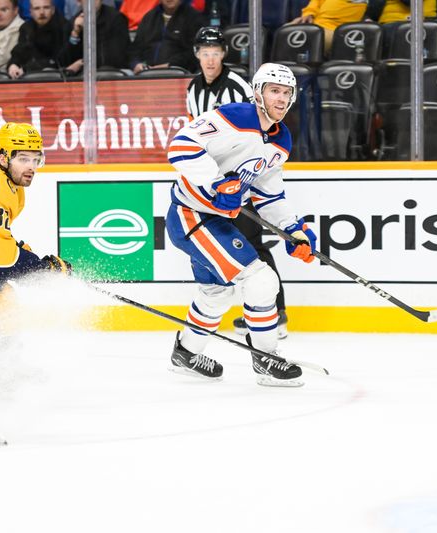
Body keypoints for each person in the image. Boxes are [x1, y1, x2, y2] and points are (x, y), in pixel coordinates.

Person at [165, 63, 317, 387]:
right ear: (258, 93)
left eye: (286, 93)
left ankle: (186, 354)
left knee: (217, 294)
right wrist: (217, 183)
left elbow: (268, 194)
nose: (280, 98)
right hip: (191, 216)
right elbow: (180, 146)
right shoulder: (234, 116)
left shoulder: (281, 140)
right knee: (261, 280)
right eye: (274, 90)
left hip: (216, 222)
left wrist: (294, 229)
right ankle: (267, 360)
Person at [185, 27, 290, 340]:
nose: (210, 58)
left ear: (224, 54)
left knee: (254, 246)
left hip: (241, 181)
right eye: (204, 52)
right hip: (212, 188)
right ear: (197, 55)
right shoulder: (193, 87)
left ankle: (276, 313)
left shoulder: (239, 86)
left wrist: (243, 180)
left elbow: (260, 133)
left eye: (215, 52)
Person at [0, 122, 72, 444]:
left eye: (36, 159)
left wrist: (30, 257)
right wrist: (41, 267)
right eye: (23, 159)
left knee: (5, 306)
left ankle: (2, 369)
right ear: (3, 157)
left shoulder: (11, 183)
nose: (31, 167)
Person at [128, 0, 204, 75]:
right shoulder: (149, 17)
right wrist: (136, 64)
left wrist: (170, 65)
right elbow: (135, 49)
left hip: (180, 72)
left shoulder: (194, 18)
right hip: (147, 73)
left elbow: (195, 51)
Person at [58, 0, 130, 76]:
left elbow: (118, 55)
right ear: (79, 1)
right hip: (82, 75)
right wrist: (76, 33)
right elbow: (65, 62)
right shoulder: (72, 23)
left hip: (113, 72)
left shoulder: (116, 18)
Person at [6, 0, 70, 79]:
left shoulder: (65, 27)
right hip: (27, 79)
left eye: (46, 8)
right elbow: (19, 52)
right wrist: (13, 65)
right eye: (37, 8)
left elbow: (59, 60)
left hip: (56, 79)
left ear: (53, 10)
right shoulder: (26, 28)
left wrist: (26, 69)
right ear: (31, 12)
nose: (42, 12)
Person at [287, 0, 367, 54]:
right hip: (315, 22)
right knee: (285, 31)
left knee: (314, 38)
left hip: (335, 29)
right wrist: (309, 13)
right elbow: (316, 2)